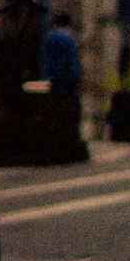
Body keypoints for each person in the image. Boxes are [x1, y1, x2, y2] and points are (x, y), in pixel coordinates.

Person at [40, 10, 84, 157]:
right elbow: (73, 65)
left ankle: (51, 145)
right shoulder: (68, 39)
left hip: (50, 83)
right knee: (69, 115)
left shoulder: (48, 38)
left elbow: (44, 61)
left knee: (51, 114)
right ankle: (67, 145)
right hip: (66, 84)